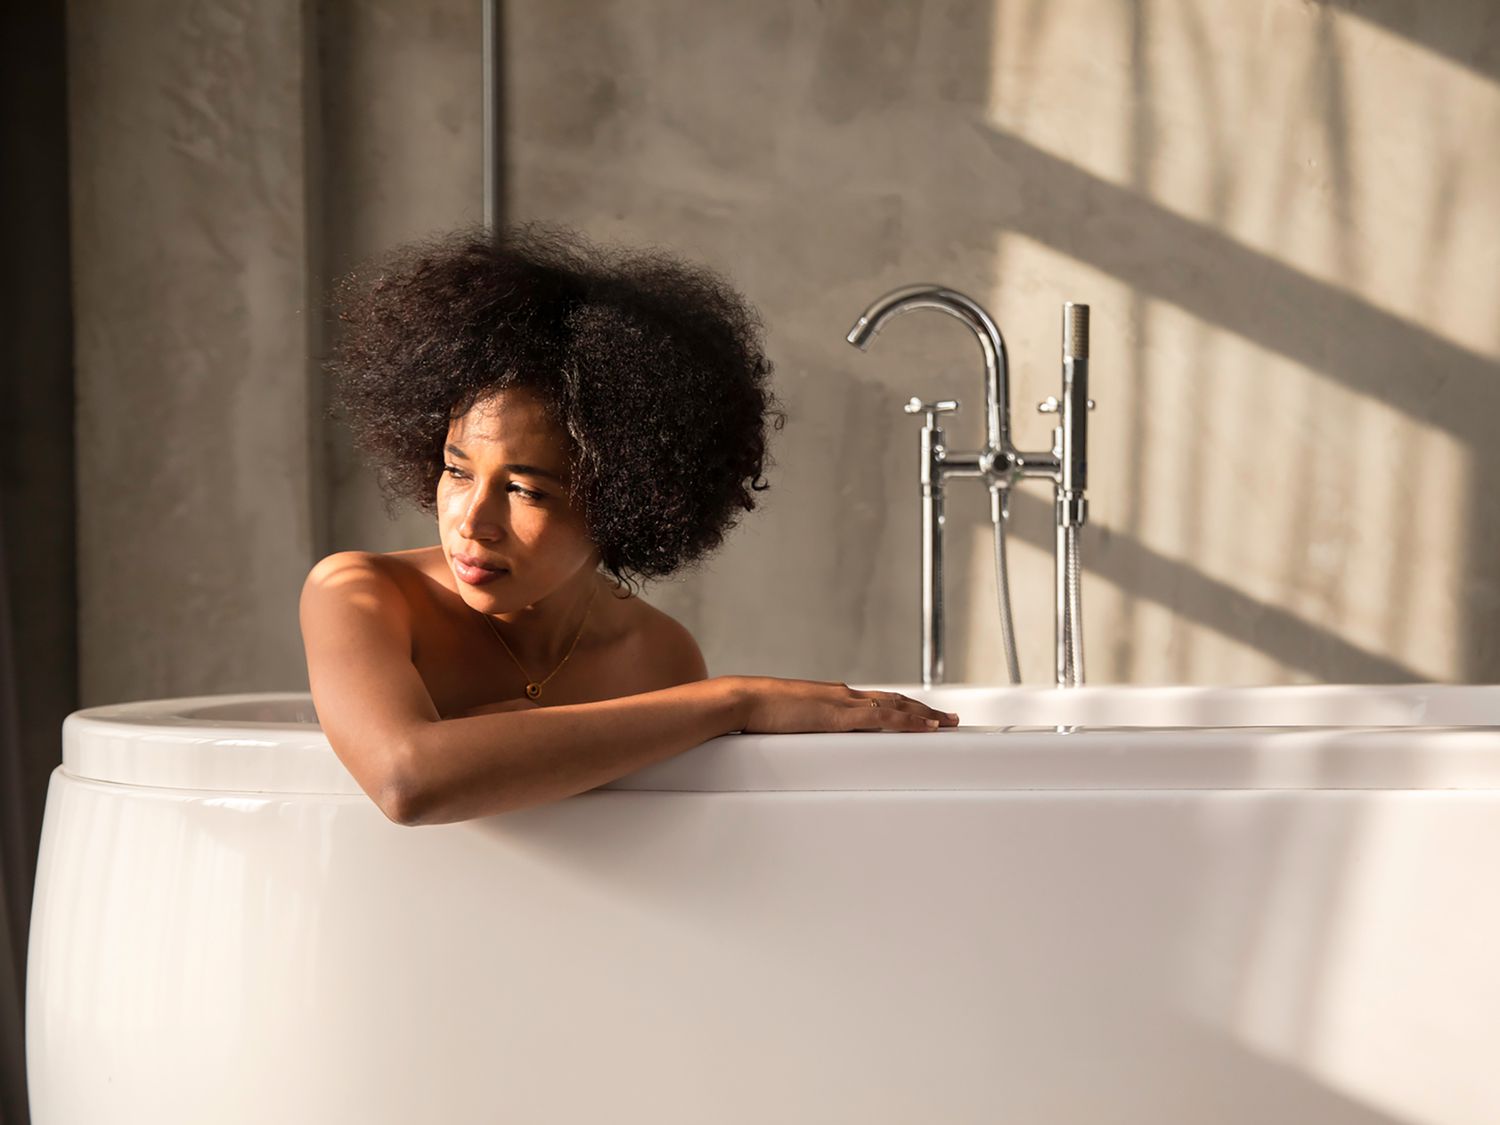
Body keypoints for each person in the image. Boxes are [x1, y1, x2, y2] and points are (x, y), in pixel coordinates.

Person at [299, 225, 958, 826]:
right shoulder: (360, 594)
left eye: (525, 488)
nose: (473, 520)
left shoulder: (658, 656)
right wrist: (737, 701)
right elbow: (406, 780)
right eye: (457, 470)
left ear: (623, 498)